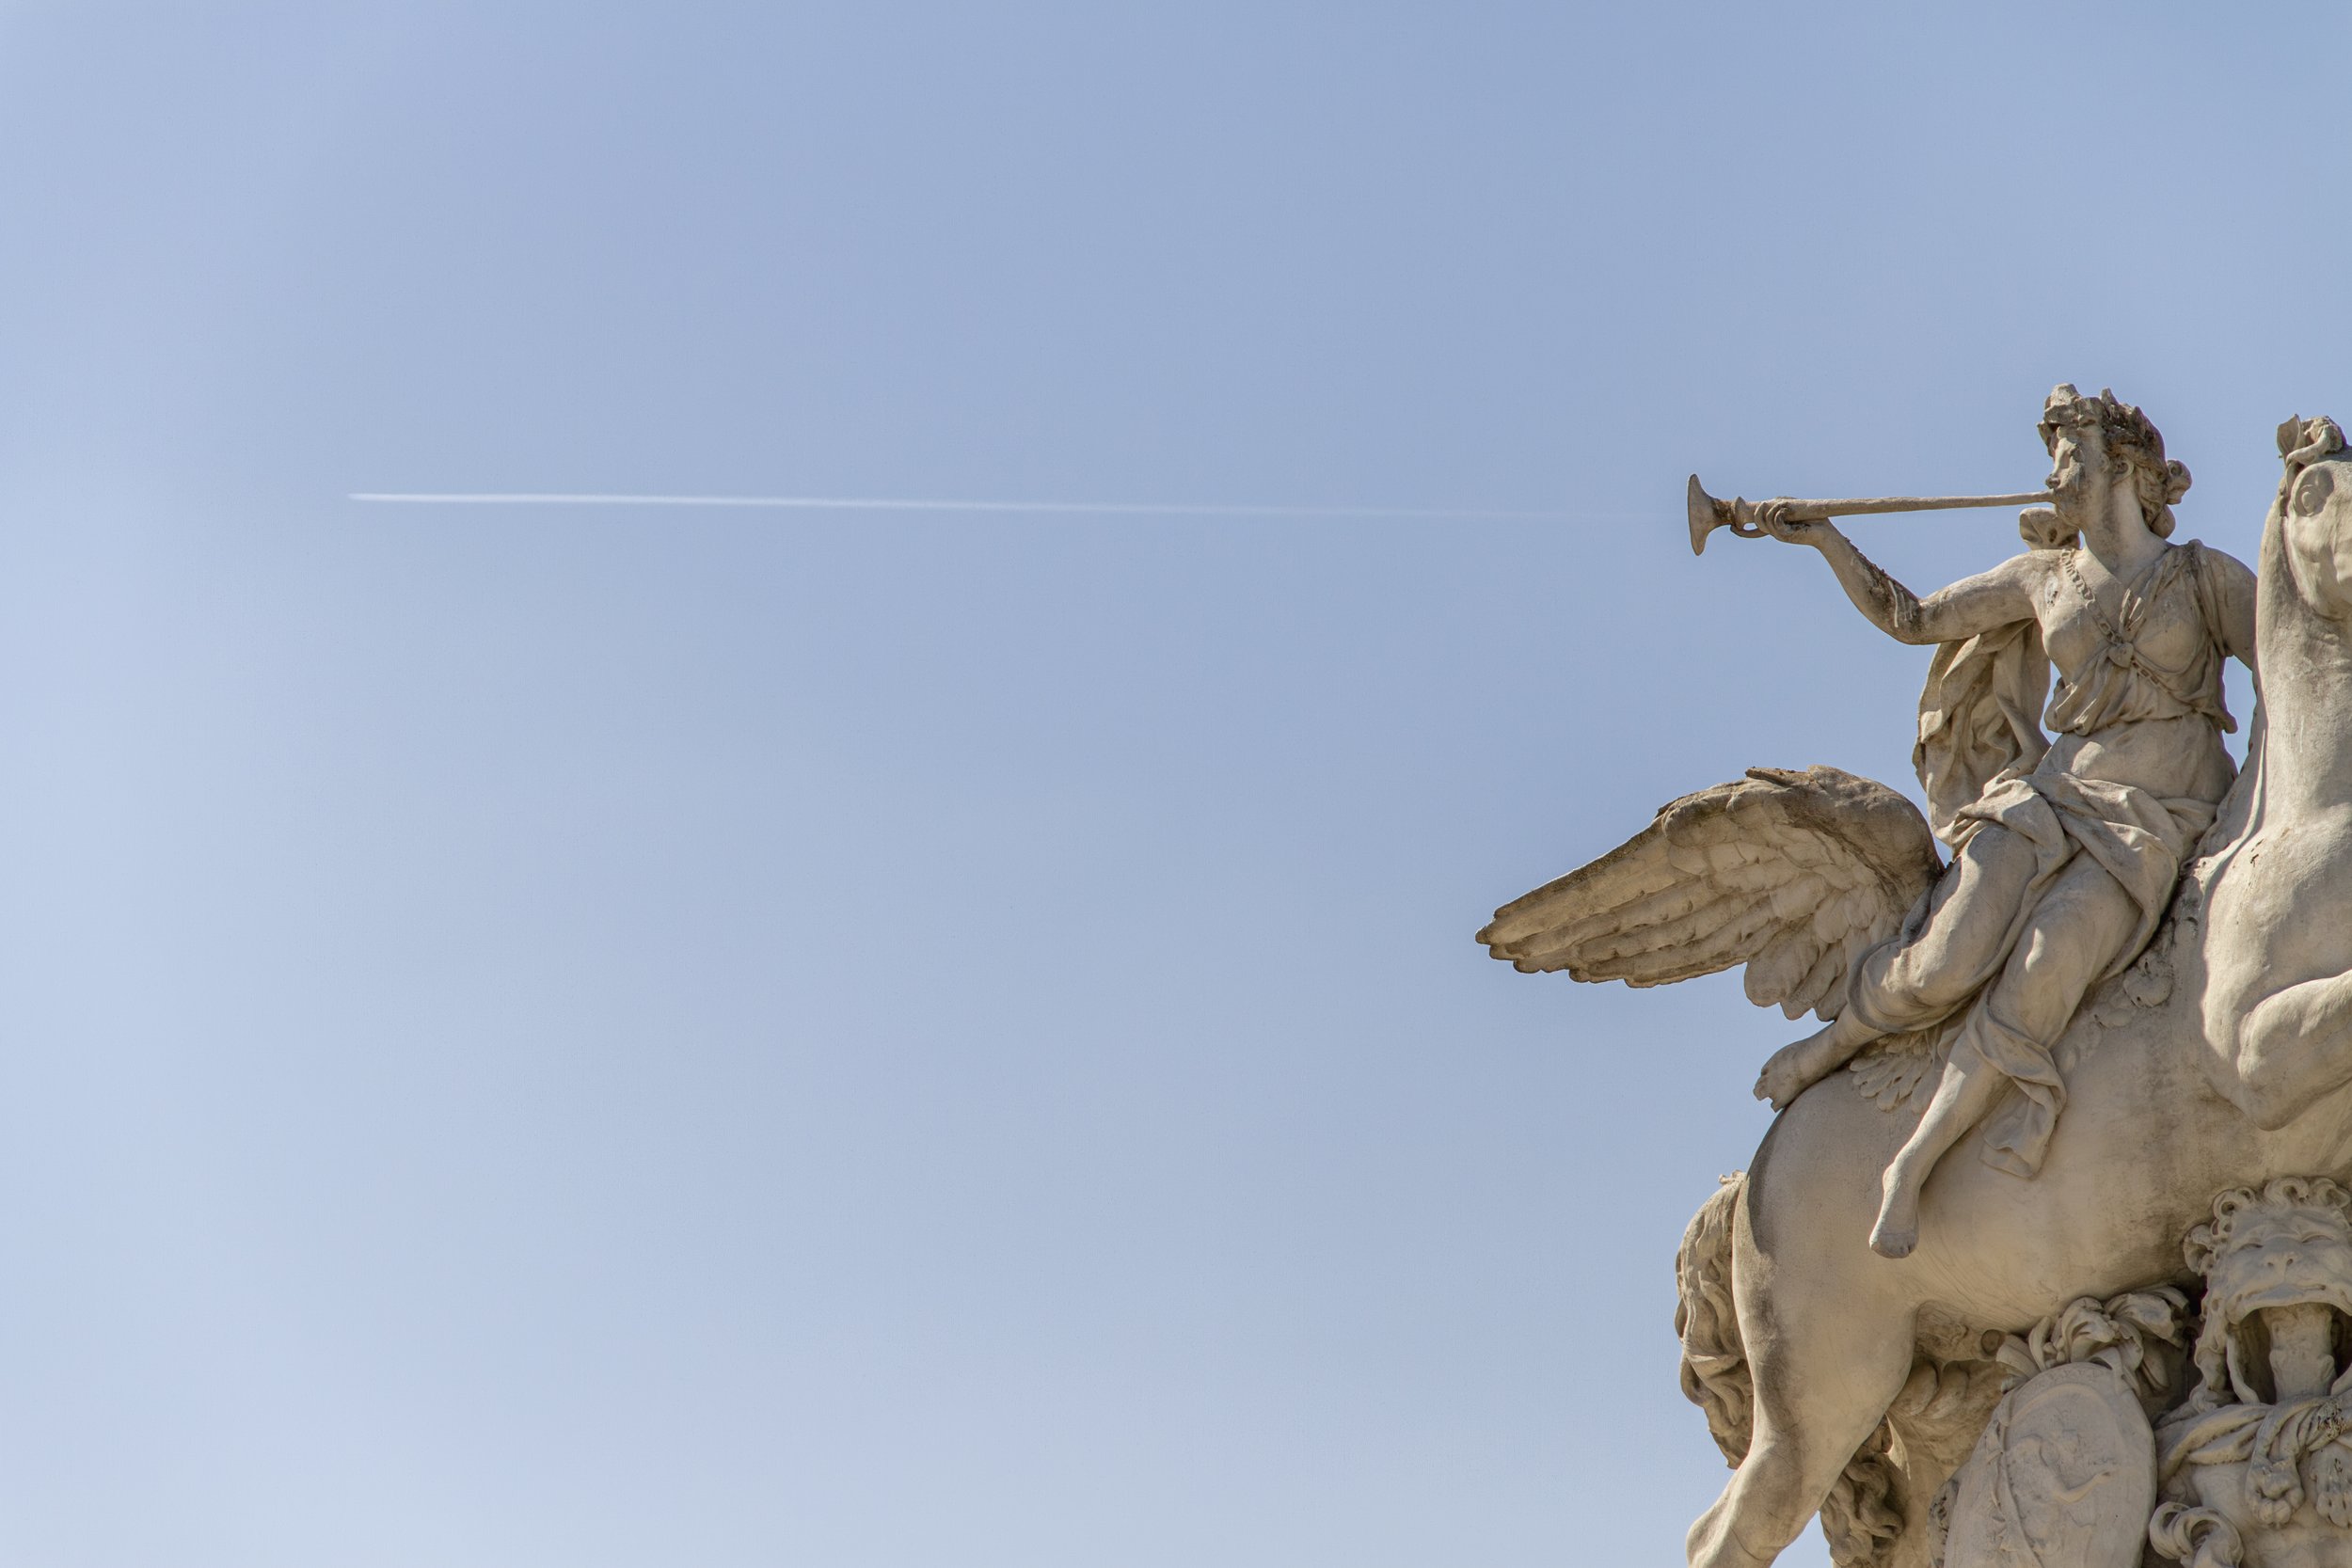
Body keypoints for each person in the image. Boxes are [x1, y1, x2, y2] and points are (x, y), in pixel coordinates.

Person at [1747, 386, 2256, 1259]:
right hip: (2057, 796)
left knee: (2045, 961)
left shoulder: (2204, 577)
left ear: (2126, 469)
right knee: (1944, 961)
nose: (2056, 471)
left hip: (2157, 814)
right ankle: (1835, 1045)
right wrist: (1825, 540)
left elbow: (2291, 664)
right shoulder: (2041, 578)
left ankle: (1915, 1160)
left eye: (2071, 453)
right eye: (2054, 454)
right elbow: (1911, 619)